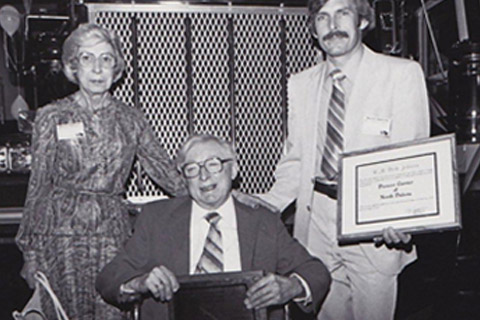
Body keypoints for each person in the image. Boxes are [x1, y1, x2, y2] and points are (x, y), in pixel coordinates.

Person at [237, 0, 430, 319]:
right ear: (313, 29)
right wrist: (269, 203)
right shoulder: (301, 83)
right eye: (323, 17)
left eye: (343, 13)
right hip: (317, 222)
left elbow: (412, 157)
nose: (333, 24)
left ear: (363, 22)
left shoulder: (401, 75)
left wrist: (404, 218)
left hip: (375, 229)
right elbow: (297, 158)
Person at [15, 23, 186, 320]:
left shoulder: (131, 118)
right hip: (60, 237)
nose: (97, 68)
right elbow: (39, 187)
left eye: (106, 58)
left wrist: (220, 197)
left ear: (116, 67)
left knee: (113, 310)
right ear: (73, 66)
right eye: (87, 58)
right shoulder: (50, 117)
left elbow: (166, 172)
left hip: (112, 232)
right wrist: (29, 253)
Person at [96, 134, 332, 319]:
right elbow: (108, 278)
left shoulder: (263, 220)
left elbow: (316, 272)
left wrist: (290, 286)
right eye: (192, 169)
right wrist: (140, 282)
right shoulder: (156, 218)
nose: (204, 176)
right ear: (184, 178)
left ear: (235, 170)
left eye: (214, 164)